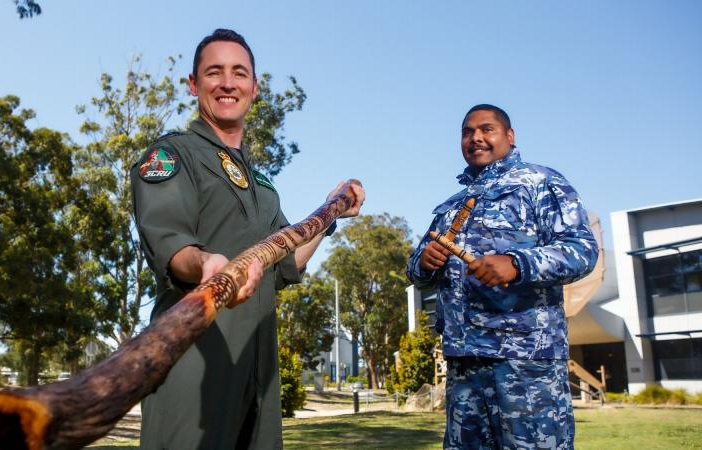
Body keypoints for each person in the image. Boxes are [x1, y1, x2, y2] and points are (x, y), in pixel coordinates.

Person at [130, 29, 364, 449]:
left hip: (259, 371)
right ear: (193, 84)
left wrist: (331, 214)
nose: (227, 82)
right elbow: (169, 242)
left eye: (239, 73)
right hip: (193, 361)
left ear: (254, 89)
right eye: (214, 72)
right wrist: (204, 264)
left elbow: (288, 261)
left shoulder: (262, 184)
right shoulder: (172, 155)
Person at [406, 104, 598, 449]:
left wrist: (516, 263)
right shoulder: (452, 205)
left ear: (509, 136)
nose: (476, 137)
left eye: (487, 129)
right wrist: (424, 262)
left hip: (525, 360)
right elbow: (415, 269)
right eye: (467, 132)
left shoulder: (541, 182)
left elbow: (583, 251)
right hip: (464, 362)